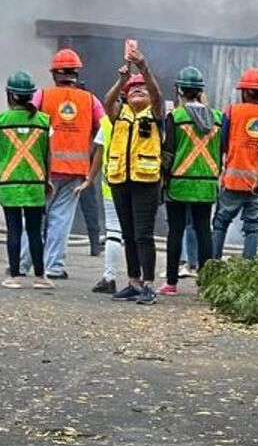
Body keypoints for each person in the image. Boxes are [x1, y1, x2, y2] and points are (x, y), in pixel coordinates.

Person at [30, 48, 106, 280]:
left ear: (54, 74)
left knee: (33, 216)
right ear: (76, 73)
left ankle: (23, 264)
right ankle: (53, 267)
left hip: (43, 169)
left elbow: (27, 120)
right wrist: (91, 151)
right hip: (75, 172)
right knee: (61, 220)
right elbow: (106, 128)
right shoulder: (91, 100)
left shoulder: (41, 96)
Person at [101, 50, 165, 304]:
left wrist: (144, 68)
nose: (138, 91)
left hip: (145, 181)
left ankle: (149, 284)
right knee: (127, 233)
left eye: (143, 89)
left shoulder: (156, 113)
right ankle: (133, 281)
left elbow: (158, 95)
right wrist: (121, 80)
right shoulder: (119, 114)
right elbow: (107, 102)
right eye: (133, 89)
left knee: (143, 234)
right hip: (120, 179)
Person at [160, 65, 220, 296]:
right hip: (206, 183)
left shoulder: (175, 117)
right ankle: (206, 285)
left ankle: (171, 283)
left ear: (180, 91)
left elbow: (168, 153)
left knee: (175, 231)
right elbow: (221, 150)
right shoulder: (217, 118)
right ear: (199, 90)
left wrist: (162, 180)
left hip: (179, 183)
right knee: (204, 230)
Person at [0, 71, 55, 290]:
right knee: (35, 232)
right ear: (31, 95)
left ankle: (14, 277)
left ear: (10, 95)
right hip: (35, 185)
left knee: (14, 231)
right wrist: (48, 180)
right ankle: (40, 277)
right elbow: (48, 155)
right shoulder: (44, 121)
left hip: (8, 184)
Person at [211, 67, 258, 259]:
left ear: (245, 91)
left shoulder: (232, 111)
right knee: (252, 228)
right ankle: (247, 270)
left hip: (233, 182)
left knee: (221, 222)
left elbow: (222, 143)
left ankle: (213, 266)